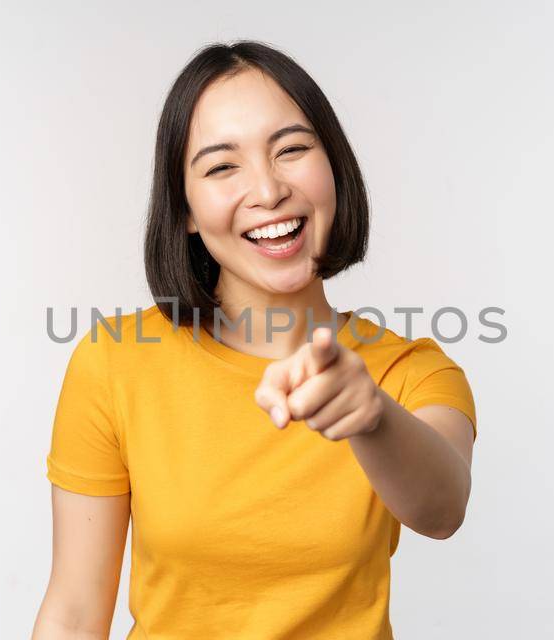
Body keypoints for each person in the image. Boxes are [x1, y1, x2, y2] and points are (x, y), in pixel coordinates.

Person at [32, 41, 477, 639]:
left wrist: (371, 416)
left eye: (291, 149)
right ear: (185, 209)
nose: (268, 190)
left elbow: (443, 510)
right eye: (221, 166)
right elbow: (75, 614)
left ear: (335, 169)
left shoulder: (411, 370)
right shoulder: (114, 363)